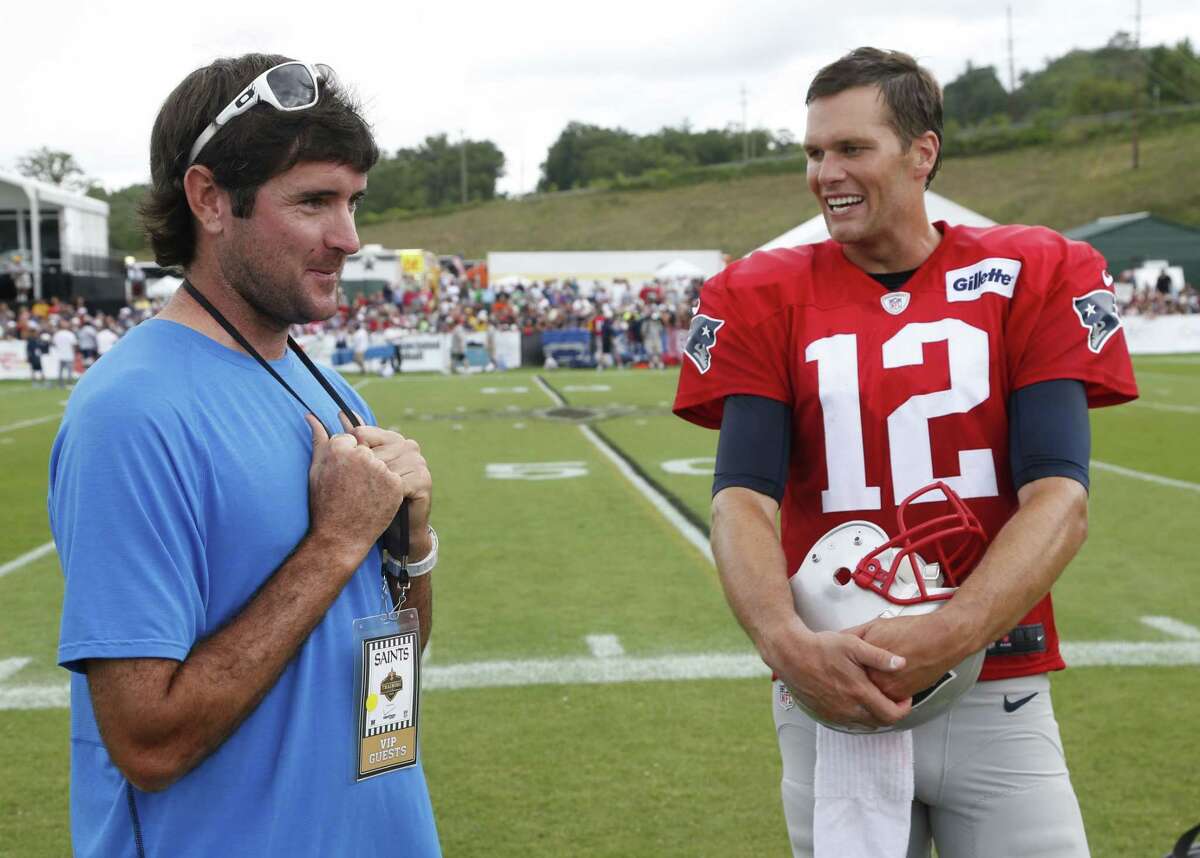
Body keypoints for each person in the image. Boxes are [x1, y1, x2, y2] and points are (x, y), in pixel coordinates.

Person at [673, 47, 1137, 858]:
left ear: (922, 152)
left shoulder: (1032, 270)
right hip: (833, 689)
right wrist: (788, 648)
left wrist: (953, 629)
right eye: (815, 152)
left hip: (998, 689)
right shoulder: (761, 290)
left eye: (852, 148)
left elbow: (1059, 498)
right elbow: (741, 498)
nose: (826, 173)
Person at [49, 54, 440, 857]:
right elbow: (149, 743)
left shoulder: (330, 389)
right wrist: (334, 542)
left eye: (353, 201)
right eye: (314, 202)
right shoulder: (132, 412)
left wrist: (412, 548)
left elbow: (392, 659)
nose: (350, 238)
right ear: (210, 199)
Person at [50, 318, 78, 387]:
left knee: (61, 371)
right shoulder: (70, 334)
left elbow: (54, 344)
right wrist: (74, 353)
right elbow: (74, 345)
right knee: (69, 371)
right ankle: (69, 383)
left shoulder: (57, 334)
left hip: (60, 355)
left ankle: (60, 384)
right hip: (69, 355)